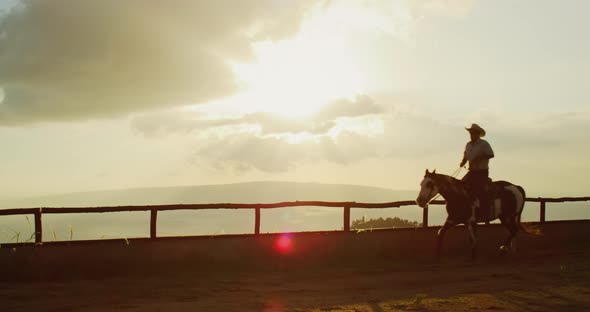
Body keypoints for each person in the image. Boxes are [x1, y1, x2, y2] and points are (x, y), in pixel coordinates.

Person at [460, 123, 495, 212]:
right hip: (472, 171)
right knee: (461, 185)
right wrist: (463, 161)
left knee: (479, 189)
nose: (471, 135)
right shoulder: (468, 145)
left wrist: (479, 158)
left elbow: (491, 154)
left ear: (478, 134)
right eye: (471, 133)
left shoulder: (484, 144)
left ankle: (484, 208)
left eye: (473, 133)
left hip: (482, 172)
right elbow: (466, 156)